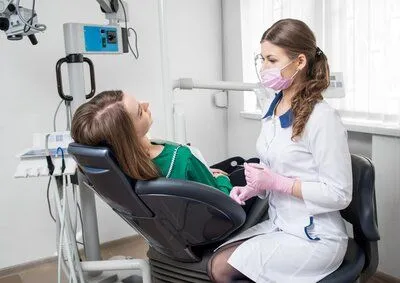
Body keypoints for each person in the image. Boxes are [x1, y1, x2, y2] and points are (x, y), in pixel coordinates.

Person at [207, 19, 352, 283]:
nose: (263, 68)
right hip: (281, 222)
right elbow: (274, 166)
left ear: (299, 62)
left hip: (315, 236)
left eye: (271, 60)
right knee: (216, 256)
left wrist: (279, 183)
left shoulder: (322, 118)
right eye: (261, 59)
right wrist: (256, 187)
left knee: (221, 268)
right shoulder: (273, 108)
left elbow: (339, 194)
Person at [71, 90, 233, 195]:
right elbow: (224, 201)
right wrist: (220, 179)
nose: (146, 104)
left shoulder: (118, 169)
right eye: (140, 112)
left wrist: (201, 173)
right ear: (129, 135)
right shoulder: (181, 159)